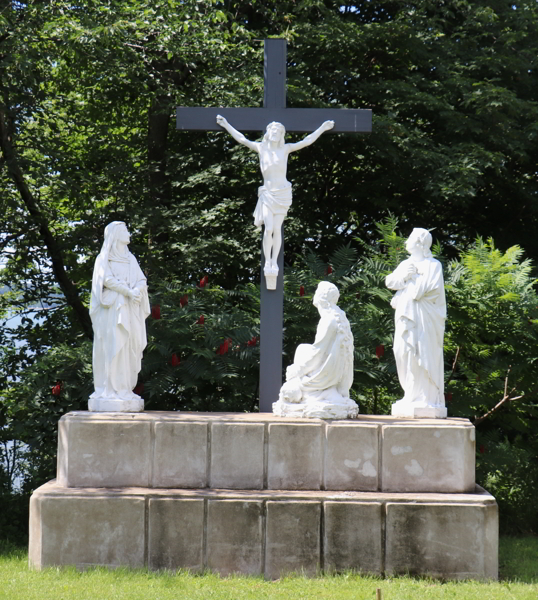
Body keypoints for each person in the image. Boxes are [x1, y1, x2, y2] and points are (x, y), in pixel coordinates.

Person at [216, 116, 334, 277]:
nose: (275, 133)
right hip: (267, 194)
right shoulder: (261, 148)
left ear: (282, 135)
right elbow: (242, 139)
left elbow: (306, 141)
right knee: (269, 228)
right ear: (268, 133)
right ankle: (267, 262)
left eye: (279, 132)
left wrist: (322, 128)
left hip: (283, 193)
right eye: (273, 130)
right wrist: (226, 124)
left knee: (277, 229)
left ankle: (274, 261)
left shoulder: (285, 149)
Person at [273, 281, 358, 419]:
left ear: (320, 297)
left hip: (326, 374)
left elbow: (317, 353)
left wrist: (297, 370)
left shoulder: (328, 320)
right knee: (303, 349)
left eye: (316, 292)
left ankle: (313, 391)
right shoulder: (340, 317)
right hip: (336, 375)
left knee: (302, 350)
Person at [385, 228, 447, 417]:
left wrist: (410, 278)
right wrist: (404, 275)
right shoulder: (406, 263)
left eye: (409, 239)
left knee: (423, 354)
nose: (406, 242)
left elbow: (421, 291)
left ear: (420, 243)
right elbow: (390, 282)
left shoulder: (433, 265)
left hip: (425, 319)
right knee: (403, 351)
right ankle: (410, 394)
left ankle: (425, 398)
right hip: (406, 316)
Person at [89, 221, 150, 409]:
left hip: (129, 308)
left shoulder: (131, 258)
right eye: (125, 230)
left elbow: (141, 279)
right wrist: (127, 291)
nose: (129, 233)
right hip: (112, 310)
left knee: (128, 346)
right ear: (116, 234)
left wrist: (138, 289)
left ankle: (124, 388)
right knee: (113, 345)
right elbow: (106, 279)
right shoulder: (104, 258)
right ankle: (110, 389)